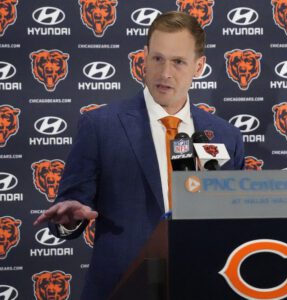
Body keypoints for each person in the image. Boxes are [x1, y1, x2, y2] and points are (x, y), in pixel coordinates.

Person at [33, 11, 245, 300]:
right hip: (121, 288)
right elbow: (72, 205)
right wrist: (69, 219)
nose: (165, 72)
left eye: (178, 62)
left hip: (201, 285)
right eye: (157, 58)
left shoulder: (226, 136)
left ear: (199, 66)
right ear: (144, 56)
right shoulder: (100, 125)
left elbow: (235, 220)